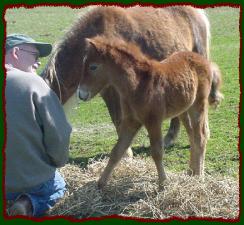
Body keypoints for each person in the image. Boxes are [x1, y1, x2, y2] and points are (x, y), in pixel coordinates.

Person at [4, 34, 72, 217]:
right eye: (35, 56)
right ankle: (28, 203)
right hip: (24, 182)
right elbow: (59, 135)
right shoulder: (32, 83)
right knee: (58, 184)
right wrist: (57, 162)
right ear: (16, 52)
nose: (38, 63)